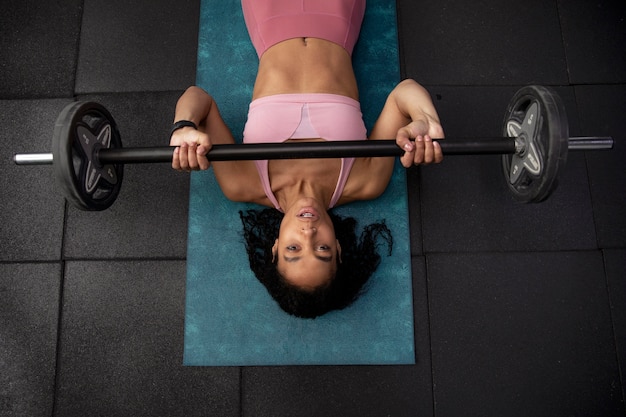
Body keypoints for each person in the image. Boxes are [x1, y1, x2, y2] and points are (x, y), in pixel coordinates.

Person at [169, 0, 444, 318]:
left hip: (269, 15)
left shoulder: (242, 183)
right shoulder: (363, 182)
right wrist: (425, 121)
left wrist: (185, 126)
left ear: (274, 249)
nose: (308, 233)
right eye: (323, 250)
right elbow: (403, 93)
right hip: (337, 16)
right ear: (339, 249)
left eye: (293, 250)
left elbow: (198, 97)